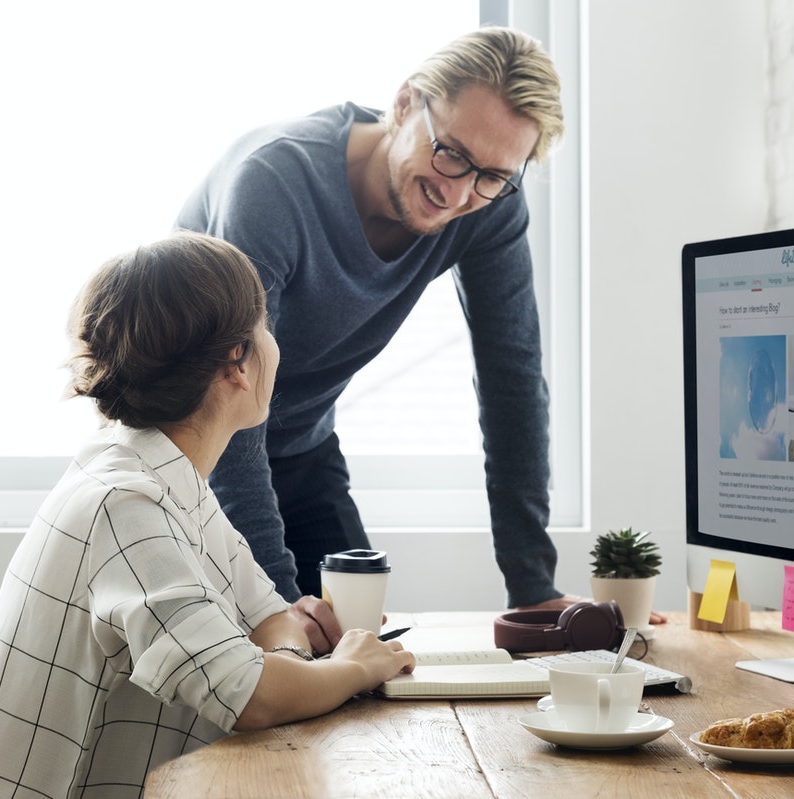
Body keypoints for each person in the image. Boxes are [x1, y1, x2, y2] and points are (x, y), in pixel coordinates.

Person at [0, 232, 415, 799]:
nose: (274, 342)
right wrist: (353, 667)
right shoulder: (124, 505)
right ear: (236, 364)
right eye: (264, 324)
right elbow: (249, 692)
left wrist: (290, 660)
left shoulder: (165, 480)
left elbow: (274, 618)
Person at [174, 26, 603, 631]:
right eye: (450, 152)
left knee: (360, 650)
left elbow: (513, 378)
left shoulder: (491, 206)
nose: (457, 193)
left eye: (492, 176)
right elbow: (227, 387)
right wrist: (273, 601)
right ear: (405, 104)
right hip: (189, 448)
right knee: (275, 657)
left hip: (300, 445)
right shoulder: (272, 184)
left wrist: (532, 586)